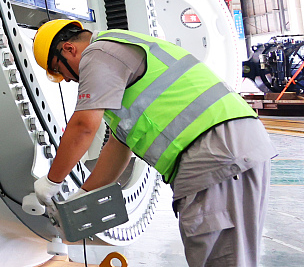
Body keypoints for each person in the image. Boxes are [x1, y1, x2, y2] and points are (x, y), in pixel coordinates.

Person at [30, 20, 274, 267]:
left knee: (219, 260)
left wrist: (53, 180)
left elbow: (83, 126)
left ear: (69, 49)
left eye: (59, 69)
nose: (67, 79)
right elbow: (117, 149)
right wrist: (82, 195)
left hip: (213, 155)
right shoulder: (119, 57)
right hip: (229, 148)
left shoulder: (97, 53)